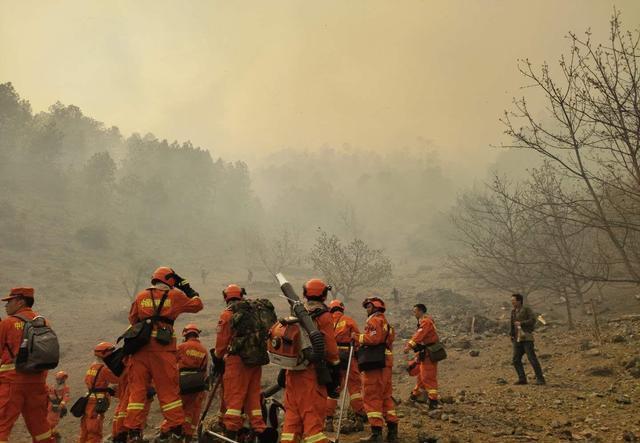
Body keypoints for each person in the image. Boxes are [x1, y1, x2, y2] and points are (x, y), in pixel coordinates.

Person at [124, 267, 203, 442]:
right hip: (163, 350)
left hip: (140, 350)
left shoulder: (141, 296)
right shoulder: (175, 296)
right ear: (171, 280)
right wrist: (188, 288)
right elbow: (198, 305)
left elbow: (132, 319)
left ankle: (134, 431)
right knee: (168, 391)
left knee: (137, 392)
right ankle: (176, 428)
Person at [280, 279, 341, 443]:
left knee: (291, 420)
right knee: (312, 418)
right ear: (324, 294)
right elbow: (330, 348)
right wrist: (335, 367)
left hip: (291, 374)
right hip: (311, 374)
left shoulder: (296, 313)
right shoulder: (323, 315)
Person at [0, 287, 55, 443]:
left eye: (9, 301)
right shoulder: (44, 322)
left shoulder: (8, 323)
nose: (6, 306)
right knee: (40, 426)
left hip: (12, 382)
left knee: (2, 424)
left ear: (20, 301)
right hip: (38, 382)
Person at [212, 285, 267, 440]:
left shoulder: (227, 315)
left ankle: (231, 432)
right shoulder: (254, 312)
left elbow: (221, 343)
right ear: (242, 296)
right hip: (255, 361)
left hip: (236, 362)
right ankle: (259, 429)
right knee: (253, 398)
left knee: (234, 398)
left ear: (226, 298)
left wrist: (217, 358)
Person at [356, 297, 398, 443]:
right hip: (386, 362)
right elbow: (389, 340)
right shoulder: (386, 322)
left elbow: (373, 339)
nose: (367, 309)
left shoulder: (374, 320)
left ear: (376, 308)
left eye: (368, 307)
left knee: (371, 395)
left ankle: (376, 434)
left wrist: (357, 337)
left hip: (374, 363)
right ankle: (392, 431)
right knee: (385, 395)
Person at [325, 300, 366, 433]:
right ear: (341, 309)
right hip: (348, 356)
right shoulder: (348, 320)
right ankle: (359, 418)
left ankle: (329, 421)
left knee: (334, 388)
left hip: (332, 357)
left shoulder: (327, 321)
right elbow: (357, 337)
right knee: (354, 388)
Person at [78, 342, 119, 443]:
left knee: (85, 429)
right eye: (111, 353)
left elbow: (87, 381)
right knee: (94, 429)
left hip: (89, 399)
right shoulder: (103, 369)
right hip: (97, 402)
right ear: (105, 354)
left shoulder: (92, 368)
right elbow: (117, 379)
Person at [403, 304, 439, 409]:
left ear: (421, 311)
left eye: (415, 311)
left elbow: (419, 335)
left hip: (428, 353)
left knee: (428, 377)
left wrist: (409, 346)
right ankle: (415, 395)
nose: (414, 313)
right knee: (420, 375)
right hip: (424, 353)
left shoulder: (426, 322)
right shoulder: (424, 322)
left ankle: (433, 401)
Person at [176, 324, 208, 440]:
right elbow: (205, 369)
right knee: (190, 411)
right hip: (197, 385)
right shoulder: (204, 350)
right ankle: (188, 434)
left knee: (176, 409)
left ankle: (173, 433)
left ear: (185, 334)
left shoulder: (181, 347)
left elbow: (171, 363)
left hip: (182, 384)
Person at [510, 293, 545, 385]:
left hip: (527, 337)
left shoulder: (526, 309)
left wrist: (521, 323)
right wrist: (511, 334)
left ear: (519, 301)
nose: (512, 302)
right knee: (516, 359)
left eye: (513, 300)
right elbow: (512, 324)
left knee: (531, 358)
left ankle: (540, 379)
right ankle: (522, 379)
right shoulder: (513, 311)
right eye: (512, 300)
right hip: (517, 338)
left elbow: (533, 320)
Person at [47, 371, 70, 441]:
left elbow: (66, 398)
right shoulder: (52, 386)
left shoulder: (65, 388)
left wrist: (61, 406)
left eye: (61, 379)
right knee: (47, 424)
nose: (60, 380)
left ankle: (55, 437)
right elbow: (48, 395)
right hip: (49, 407)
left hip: (56, 409)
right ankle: (55, 436)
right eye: (59, 379)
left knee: (51, 424)